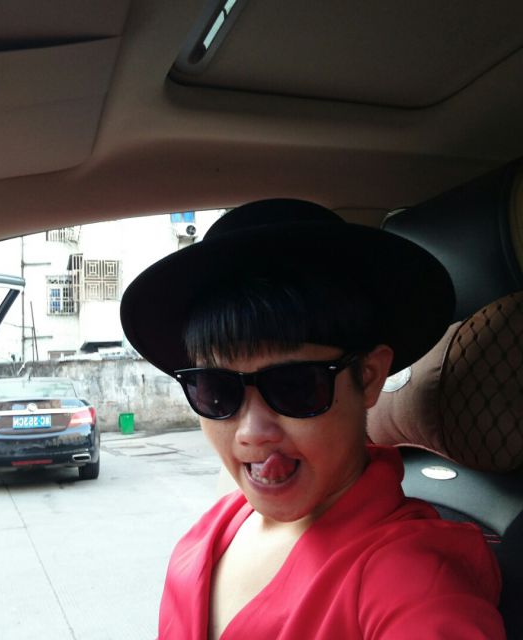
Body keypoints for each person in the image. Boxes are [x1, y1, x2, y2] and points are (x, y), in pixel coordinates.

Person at [120, 199, 505, 639]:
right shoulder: (213, 530)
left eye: (295, 387)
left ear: (368, 376)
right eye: (216, 390)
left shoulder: (412, 577)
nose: (251, 433)